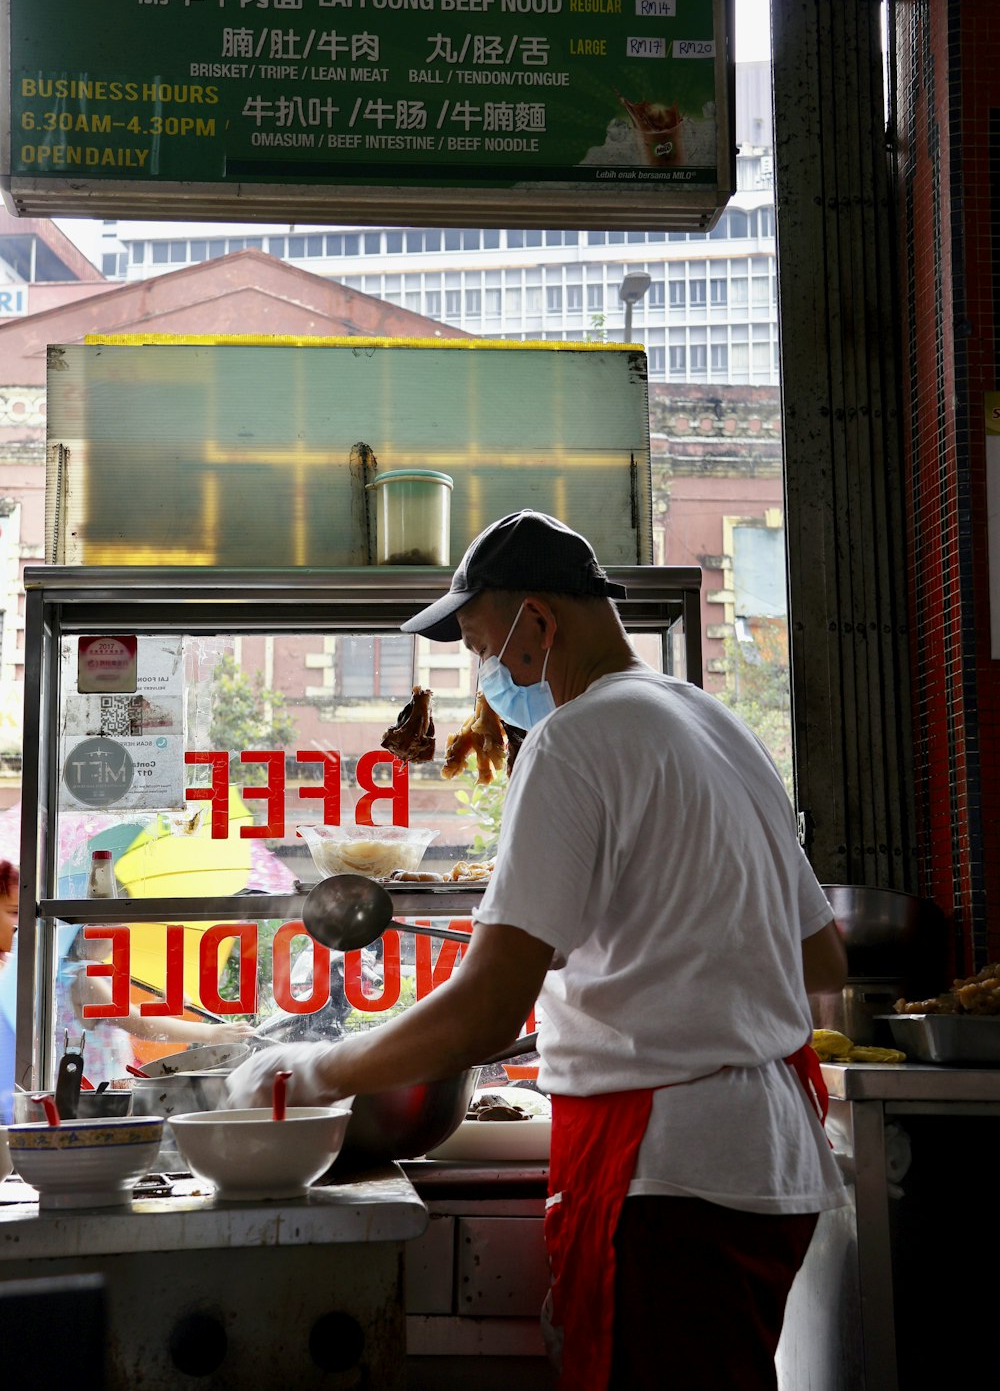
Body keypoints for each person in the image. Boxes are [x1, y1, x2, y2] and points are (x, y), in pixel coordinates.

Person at [226, 509, 849, 1391]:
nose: (483, 677)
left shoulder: (575, 738)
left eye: (481, 646)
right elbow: (821, 958)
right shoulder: (712, 721)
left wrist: (316, 1070)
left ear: (539, 625)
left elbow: (487, 1010)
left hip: (669, 1175)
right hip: (773, 1159)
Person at [55, 927, 255, 1086]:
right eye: (108, 926)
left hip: (97, 1086)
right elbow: (138, 1024)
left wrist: (161, 1007)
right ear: (84, 932)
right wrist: (212, 1033)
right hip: (95, 1092)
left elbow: (115, 1017)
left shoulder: (73, 973)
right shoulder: (87, 977)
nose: (117, 933)